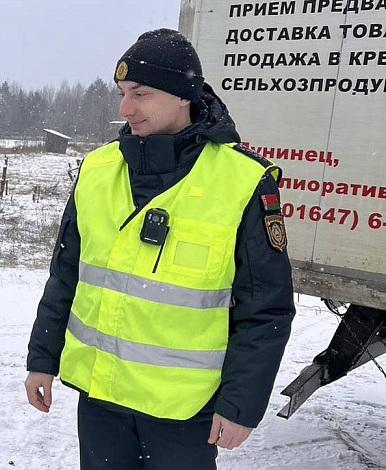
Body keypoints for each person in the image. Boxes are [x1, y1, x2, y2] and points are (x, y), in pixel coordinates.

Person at [25, 29, 295, 469]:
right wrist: (43, 358)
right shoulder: (96, 170)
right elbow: (66, 275)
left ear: (183, 96)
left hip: (183, 412)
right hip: (101, 398)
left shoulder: (242, 181)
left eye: (141, 94)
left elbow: (265, 307)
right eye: (122, 93)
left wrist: (240, 404)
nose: (124, 108)